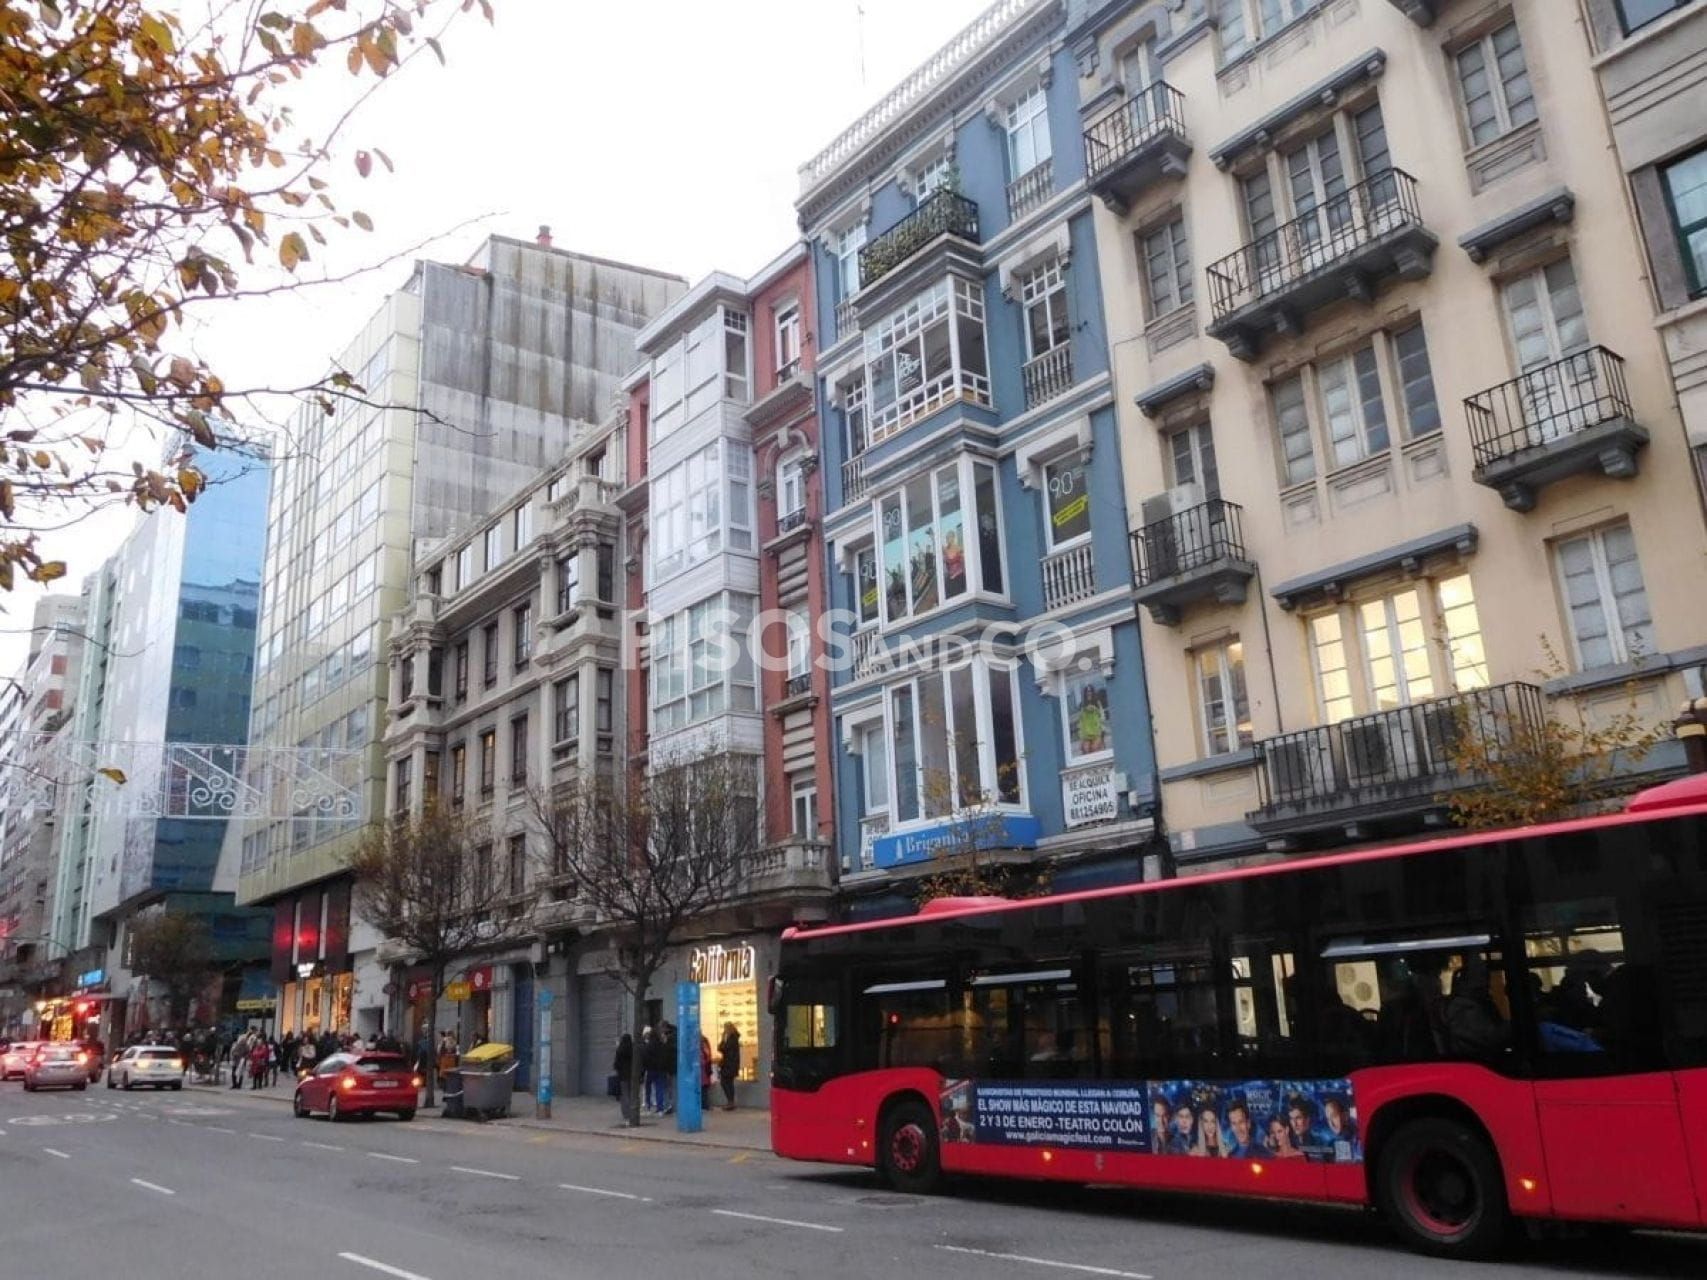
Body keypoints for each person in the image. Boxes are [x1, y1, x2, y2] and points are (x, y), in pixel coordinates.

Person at [1323, 1094, 1361, 1162]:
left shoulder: (1359, 1140)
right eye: (1328, 1119)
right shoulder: (1331, 1145)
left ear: (1345, 1116)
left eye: (1334, 1116)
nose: (1331, 1124)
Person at [717, 1021, 741, 1111]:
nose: (725, 1030)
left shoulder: (732, 1038)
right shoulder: (734, 1038)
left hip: (729, 1064)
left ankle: (730, 1102)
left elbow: (722, 1048)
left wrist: (722, 1038)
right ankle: (730, 1102)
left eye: (725, 1028)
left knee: (725, 1082)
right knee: (729, 1083)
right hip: (731, 1064)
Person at [640, 1026, 664, 1115]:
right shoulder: (661, 1044)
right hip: (660, 1069)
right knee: (659, 1088)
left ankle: (648, 1106)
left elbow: (645, 1058)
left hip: (650, 1069)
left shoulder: (649, 1045)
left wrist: (644, 1068)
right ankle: (660, 1108)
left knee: (648, 1088)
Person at [613, 1033, 635, 1122]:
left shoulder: (620, 1050)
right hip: (632, 1075)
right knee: (631, 1094)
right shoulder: (633, 1049)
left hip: (622, 1075)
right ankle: (633, 1112)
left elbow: (616, 1064)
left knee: (624, 1095)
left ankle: (626, 1114)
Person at [660, 1022, 678, 1116]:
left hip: (670, 1067)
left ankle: (671, 1106)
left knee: (670, 1087)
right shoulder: (675, 1035)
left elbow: (667, 1053)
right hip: (674, 1066)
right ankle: (672, 1106)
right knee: (673, 1087)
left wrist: (664, 1043)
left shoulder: (669, 1039)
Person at [699, 1033, 714, 1110]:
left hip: (703, 1071)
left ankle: (704, 1104)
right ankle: (705, 1104)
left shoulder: (702, 1047)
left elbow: (705, 1059)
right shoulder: (705, 1046)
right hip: (704, 1070)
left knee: (703, 1088)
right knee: (704, 1088)